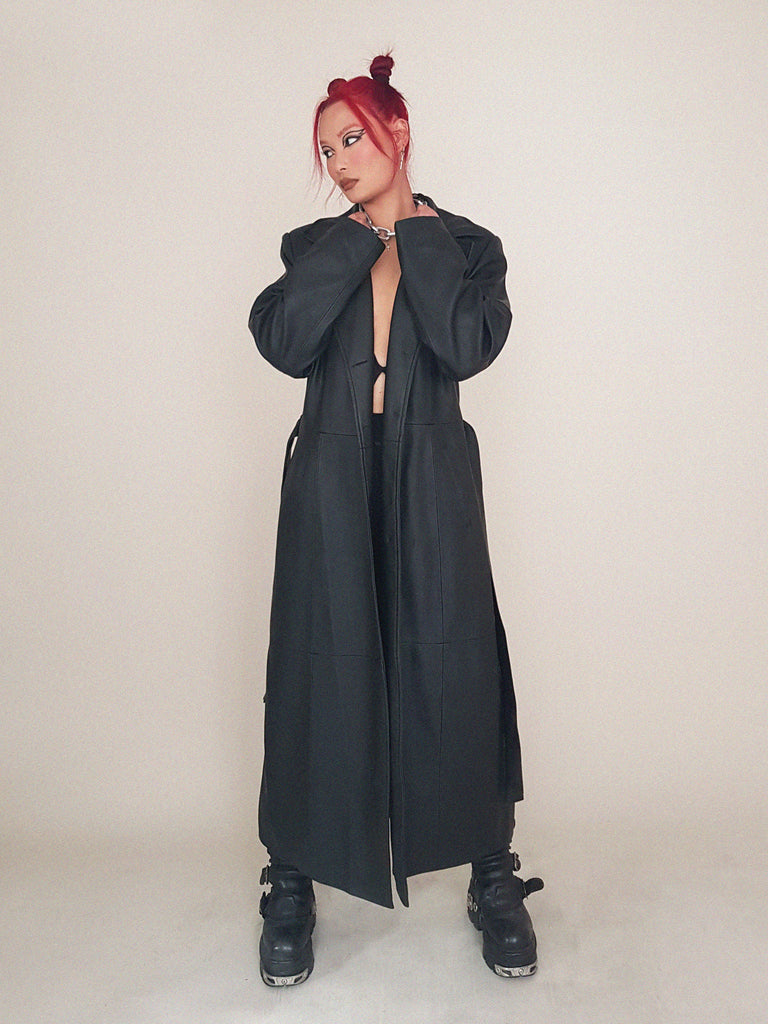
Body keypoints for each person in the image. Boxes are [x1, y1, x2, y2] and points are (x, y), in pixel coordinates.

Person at [248, 54, 543, 987]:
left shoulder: (469, 245)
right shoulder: (311, 246)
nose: (339, 161)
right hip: (331, 478)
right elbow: (284, 340)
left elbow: (466, 344)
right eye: (327, 150)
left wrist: (410, 231)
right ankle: (291, 873)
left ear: (399, 132)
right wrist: (357, 238)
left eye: (354, 139)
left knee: (456, 660)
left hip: (433, 478)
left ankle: (490, 867)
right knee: (317, 662)